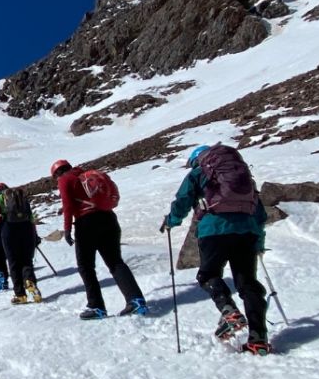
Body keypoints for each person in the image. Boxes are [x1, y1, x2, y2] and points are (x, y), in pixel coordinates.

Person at [161, 144, 271, 355]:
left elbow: (183, 200)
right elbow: (259, 213)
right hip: (246, 231)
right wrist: (258, 243)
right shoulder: (242, 177)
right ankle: (259, 338)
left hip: (213, 229)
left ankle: (228, 311)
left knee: (208, 275)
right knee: (247, 282)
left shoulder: (199, 172)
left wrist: (171, 221)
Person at [51, 159, 147, 320]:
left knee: (86, 266)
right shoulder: (85, 175)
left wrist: (67, 229)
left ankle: (96, 307)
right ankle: (135, 300)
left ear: (57, 173)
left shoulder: (64, 179)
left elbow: (68, 205)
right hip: (109, 219)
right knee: (115, 262)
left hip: (86, 224)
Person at [0, 183, 41, 304]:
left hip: (9, 230)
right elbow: (31, 217)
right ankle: (29, 280)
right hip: (27, 228)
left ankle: (20, 295)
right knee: (26, 260)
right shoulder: (20, 195)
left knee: (13, 262)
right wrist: (34, 235)